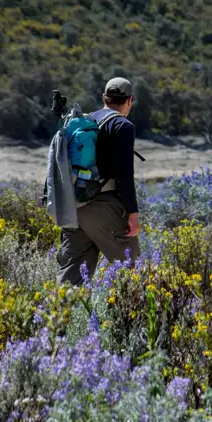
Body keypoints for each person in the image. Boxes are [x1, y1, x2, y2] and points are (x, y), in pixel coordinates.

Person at [57, 77, 142, 285]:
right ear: (130, 100)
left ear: (104, 98)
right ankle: (130, 317)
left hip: (74, 205)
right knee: (133, 270)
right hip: (103, 206)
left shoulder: (83, 122)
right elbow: (124, 175)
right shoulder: (123, 126)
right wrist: (132, 214)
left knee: (71, 276)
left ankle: (56, 316)